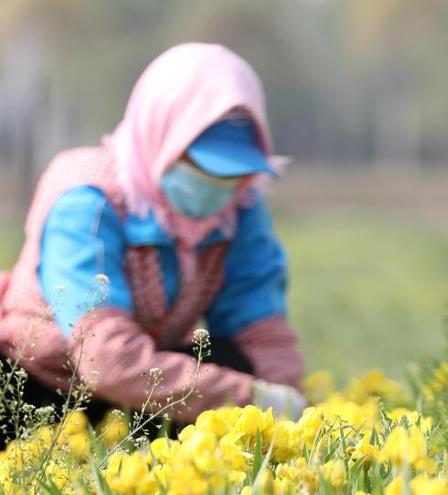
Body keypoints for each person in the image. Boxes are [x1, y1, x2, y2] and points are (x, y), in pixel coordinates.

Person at [0, 43, 307, 444]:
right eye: (202, 165)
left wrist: (284, 409)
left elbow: (260, 331)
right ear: (160, 137)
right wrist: (242, 396)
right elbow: (103, 357)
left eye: (233, 173)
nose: (217, 186)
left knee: (234, 361)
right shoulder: (89, 199)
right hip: (37, 377)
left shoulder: (238, 207)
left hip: (141, 380)